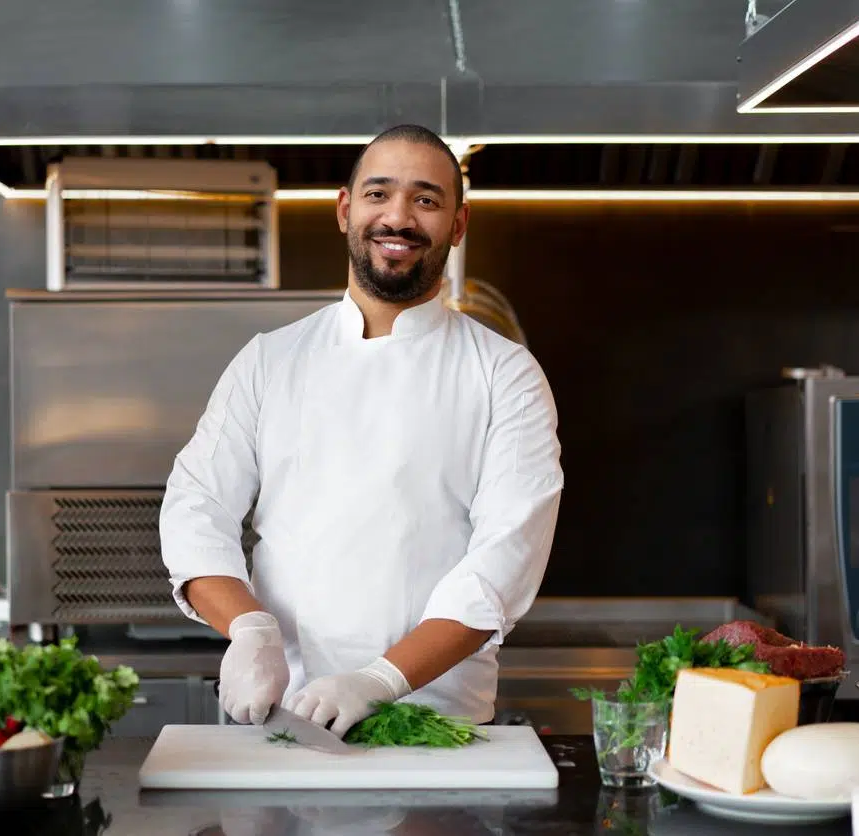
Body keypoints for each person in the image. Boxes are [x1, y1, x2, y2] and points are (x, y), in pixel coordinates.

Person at [159, 124, 563, 738]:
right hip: (282, 712)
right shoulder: (270, 360)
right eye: (378, 194)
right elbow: (196, 507)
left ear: (457, 225)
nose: (397, 217)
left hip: (436, 725)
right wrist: (250, 628)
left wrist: (380, 680)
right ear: (346, 209)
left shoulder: (505, 373)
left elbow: (503, 561)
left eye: (426, 200)